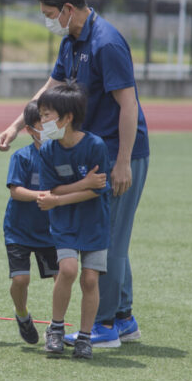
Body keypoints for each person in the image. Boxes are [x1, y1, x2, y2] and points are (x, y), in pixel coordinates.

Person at [0, 0, 149, 347]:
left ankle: (105, 326)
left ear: (68, 9)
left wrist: (123, 161)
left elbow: (128, 105)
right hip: (90, 150)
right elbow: (50, 87)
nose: (47, 20)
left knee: (106, 239)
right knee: (111, 235)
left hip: (117, 151)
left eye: (50, 14)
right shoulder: (71, 39)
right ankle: (124, 319)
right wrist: (19, 124)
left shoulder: (106, 42)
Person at [35, 84, 111, 359]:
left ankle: (85, 337)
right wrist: (80, 184)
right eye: (41, 115)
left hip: (95, 223)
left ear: (67, 117)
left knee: (90, 279)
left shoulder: (95, 145)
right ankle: (55, 329)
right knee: (67, 270)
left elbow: (97, 189)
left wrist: (61, 195)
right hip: (64, 221)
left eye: (46, 115)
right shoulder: (47, 151)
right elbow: (50, 190)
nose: (42, 121)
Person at [3, 101, 59, 345]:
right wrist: (41, 196)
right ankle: (22, 314)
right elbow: (15, 190)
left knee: (62, 277)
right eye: (42, 125)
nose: (48, 129)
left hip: (52, 232)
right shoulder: (22, 157)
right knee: (20, 280)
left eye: (52, 124)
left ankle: (55, 326)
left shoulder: (62, 155)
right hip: (19, 230)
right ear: (30, 130)